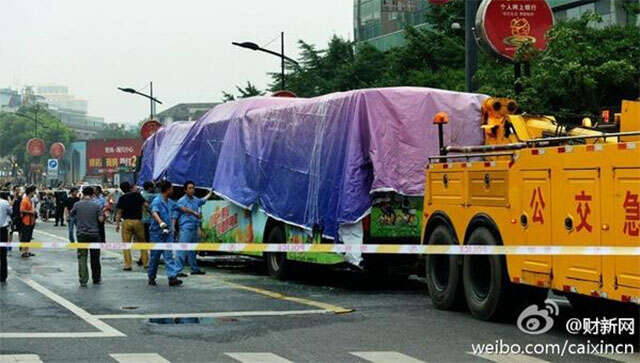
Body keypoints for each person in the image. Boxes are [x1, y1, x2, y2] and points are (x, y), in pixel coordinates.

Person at [147, 180, 182, 287]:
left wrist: (193, 212)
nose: (172, 190)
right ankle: (151, 277)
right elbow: (154, 212)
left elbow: (180, 208)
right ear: (167, 190)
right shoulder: (157, 201)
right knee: (155, 257)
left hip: (168, 233)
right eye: (171, 188)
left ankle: (172, 277)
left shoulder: (170, 202)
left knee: (168, 255)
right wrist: (161, 222)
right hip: (157, 233)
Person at [175, 181, 211, 275]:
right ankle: (177, 270)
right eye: (190, 188)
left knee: (193, 250)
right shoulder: (182, 200)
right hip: (186, 228)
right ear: (185, 190)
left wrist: (210, 193)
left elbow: (203, 200)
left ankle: (194, 269)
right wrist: (194, 213)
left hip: (194, 227)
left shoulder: (195, 199)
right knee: (182, 249)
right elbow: (179, 211)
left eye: (193, 188)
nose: (192, 190)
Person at [70, 186, 104, 287]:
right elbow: (101, 219)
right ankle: (96, 278)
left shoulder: (77, 204)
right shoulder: (96, 205)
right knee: (95, 257)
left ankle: (83, 280)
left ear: (83, 194)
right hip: (94, 234)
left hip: (81, 234)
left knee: (82, 257)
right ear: (92, 194)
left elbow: (71, 215)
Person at [115, 181, 149, 271]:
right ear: (130, 187)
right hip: (138, 222)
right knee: (142, 243)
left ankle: (128, 265)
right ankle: (146, 263)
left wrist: (117, 224)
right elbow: (146, 205)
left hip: (126, 222)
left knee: (126, 245)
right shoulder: (137, 195)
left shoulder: (122, 198)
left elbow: (119, 212)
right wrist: (148, 213)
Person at [19, 186, 37, 258]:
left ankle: (27, 251)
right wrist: (31, 212)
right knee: (25, 237)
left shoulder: (30, 200)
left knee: (28, 237)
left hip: (31, 221)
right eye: (34, 191)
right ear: (31, 192)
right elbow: (22, 210)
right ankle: (23, 251)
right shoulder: (25, 200)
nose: (35, 193)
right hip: (26, 221)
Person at [0, 193, 12, 283]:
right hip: (2, 230)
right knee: (3, 254)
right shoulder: (5, 203)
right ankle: (3, 276)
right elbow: (10, 212)